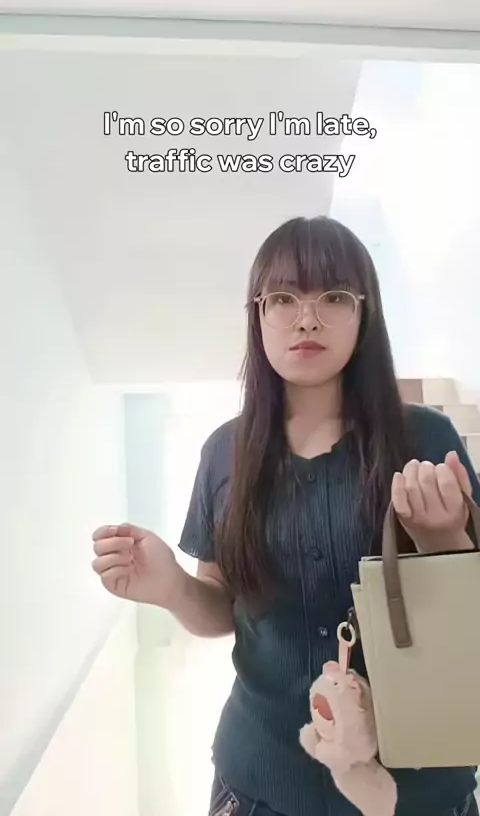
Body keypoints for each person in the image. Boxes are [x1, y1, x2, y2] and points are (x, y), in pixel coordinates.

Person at [92, 216, 480, 816]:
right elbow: (222, 609)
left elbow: (467, 614)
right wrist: (171, 588)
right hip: (260, 783)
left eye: (334, 297)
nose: (307, 319)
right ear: (258, 315)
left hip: (415, 788)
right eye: (282, 299)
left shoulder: (425, 438)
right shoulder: (225, 453)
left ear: (365, 314)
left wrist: (444, 539)